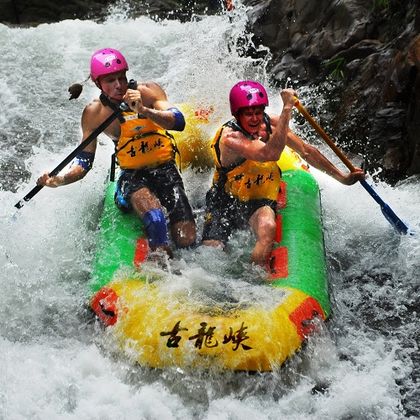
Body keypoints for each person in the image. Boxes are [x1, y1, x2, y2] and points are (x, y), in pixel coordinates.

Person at [37, 48, 196, 257]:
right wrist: (61, 179)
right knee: (156, 221)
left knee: (187, 239)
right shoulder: (94, 113)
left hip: (165, 169)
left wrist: (144, 111)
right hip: (134, 176)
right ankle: (162, 276)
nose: (119, 85)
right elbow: (84, 162)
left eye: (121, 77)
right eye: (110, 80)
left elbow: (178, 122)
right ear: (97, 84)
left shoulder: (148, 92)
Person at [202, 80, 365, 267]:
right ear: (237, 114)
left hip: (258, 196)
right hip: (226, 198)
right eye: (248, 114)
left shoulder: (270, 124)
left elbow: (306, 151)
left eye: (258, 112)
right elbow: (269, 153)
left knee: (268, 227)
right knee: (212, 253)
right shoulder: (230, 138)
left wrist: (342, 177)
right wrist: (287, 108)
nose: (255, 119)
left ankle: (255, 278)